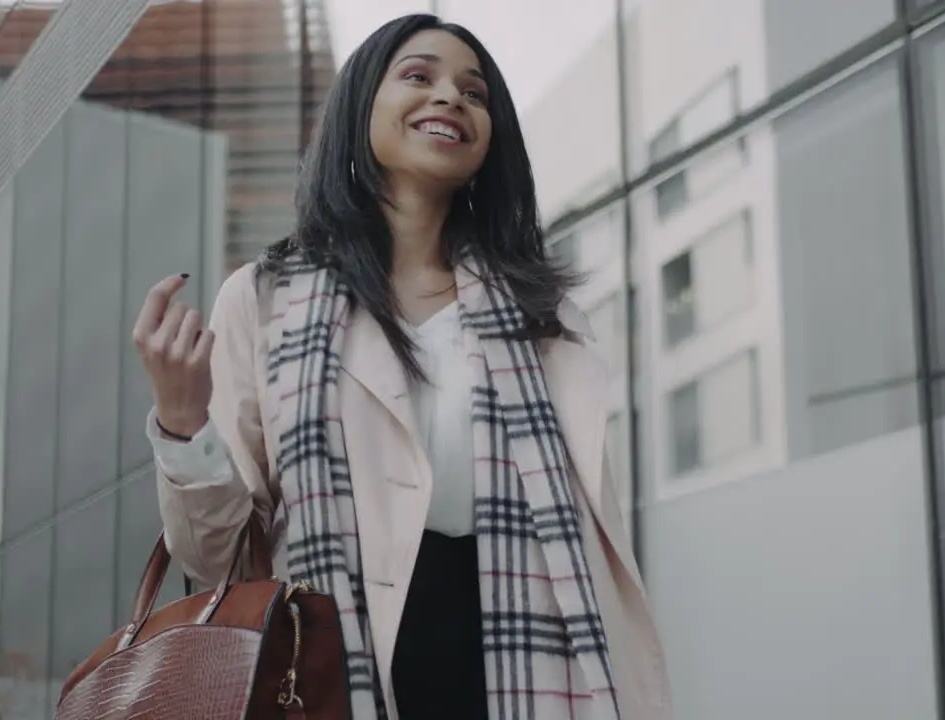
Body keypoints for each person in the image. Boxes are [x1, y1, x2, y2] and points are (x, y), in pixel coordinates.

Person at [132, 13, 670, 720]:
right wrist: (181, 420)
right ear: (362, 110)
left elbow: (591, 548)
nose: (450, 97)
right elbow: (218, 557)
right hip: (328, 670)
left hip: (523, 665)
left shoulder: (547, 317)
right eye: (419, 76)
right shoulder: (267, 300)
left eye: (474, 93)